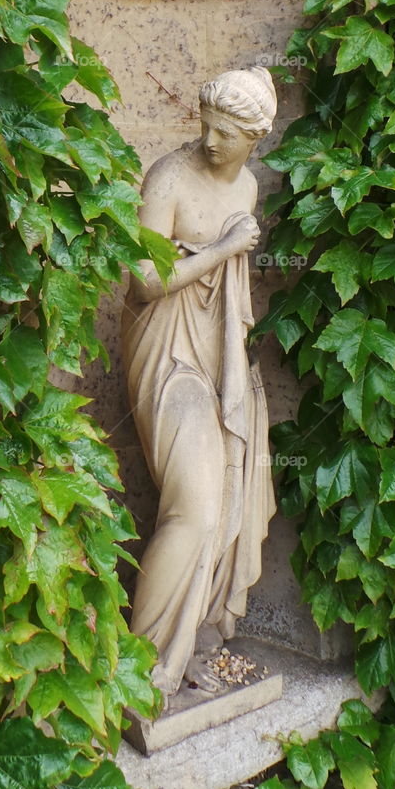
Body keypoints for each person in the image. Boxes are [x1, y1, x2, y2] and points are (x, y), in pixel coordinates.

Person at [122, 67, 277, 700]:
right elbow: (142, 280)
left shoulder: (249, 187)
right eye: (206, 126)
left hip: (219, 356)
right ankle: (140, 667)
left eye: (227, 133)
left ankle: (191, 640)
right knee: (195, 509)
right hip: (164, 355)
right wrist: (221, 249)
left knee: (223, 506)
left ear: (254, 140)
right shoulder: (168, 178)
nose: (211, 141)